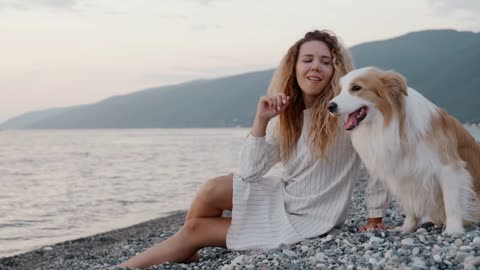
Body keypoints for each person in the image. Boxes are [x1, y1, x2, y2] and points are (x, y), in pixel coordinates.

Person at [117, 29, 390, 269]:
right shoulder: (287, 115)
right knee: (212, 189)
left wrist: (375, 216)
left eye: (325, 61)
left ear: (335, 71)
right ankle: (187, 249)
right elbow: (249, 173)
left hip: (310, 219)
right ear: (293, 69)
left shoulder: (346, 112)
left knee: (195, 228)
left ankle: (128, 266)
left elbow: (379, 162)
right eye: (307, 60)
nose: (315, 67)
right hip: (283, 197)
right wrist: (261, 121)